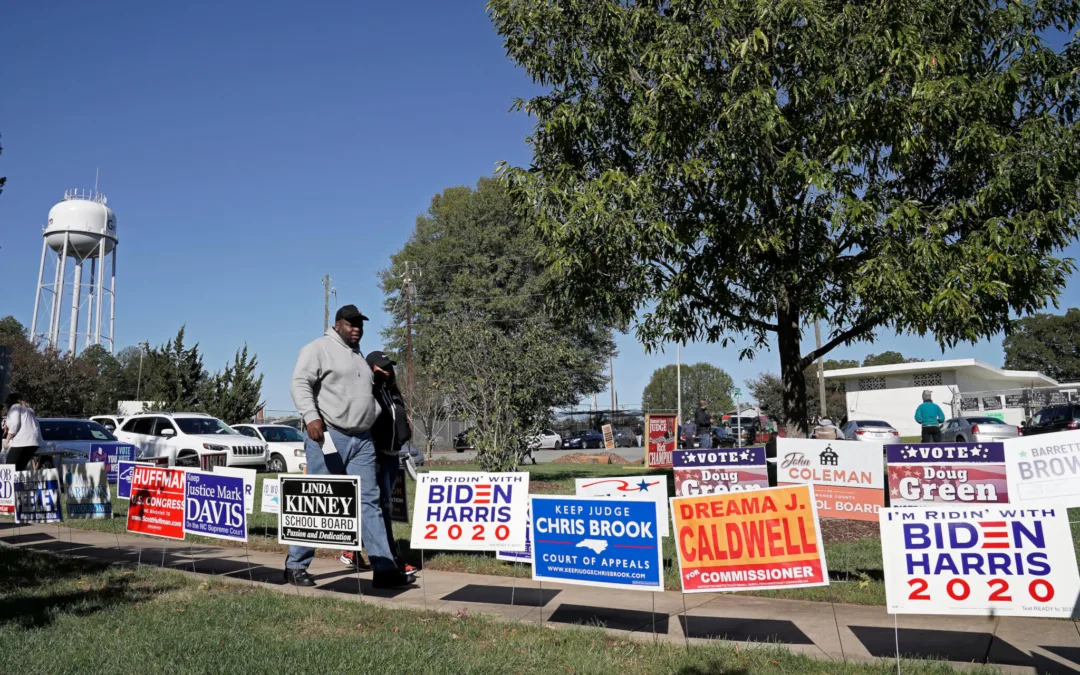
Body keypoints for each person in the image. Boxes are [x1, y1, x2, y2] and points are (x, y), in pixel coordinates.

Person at [284, 304, 413, 589]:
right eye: (352, 324)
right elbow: (300, 383)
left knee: (370, 502)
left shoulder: (357, 358)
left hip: (362, 439)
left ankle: (383, 567)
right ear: (338, 324)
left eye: (360, 325)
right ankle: (295, 565)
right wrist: (311, 417)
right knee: (317, 502)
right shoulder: (318, 348)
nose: (357, 328)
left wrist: (376, 377)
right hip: (328, 436)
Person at [340, 351, 418, 575]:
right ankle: (390, 559)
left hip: (393, 454)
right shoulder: (368, 390)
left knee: (382, 505)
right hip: (374, 455)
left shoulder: (392, 390)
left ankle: (353, 551)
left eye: (389, 366)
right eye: (381, 367)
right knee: (379, 505)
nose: (387, 370)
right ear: (370, 368)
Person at [3, 393, 42, 470]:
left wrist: (7, 439)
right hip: (33, 443)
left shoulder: (15, 407)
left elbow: (15, 424)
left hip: (21, 442)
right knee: (20, 467)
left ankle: (10, 482)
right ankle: (19, 482)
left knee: (9, 468)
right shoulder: (29, 411)